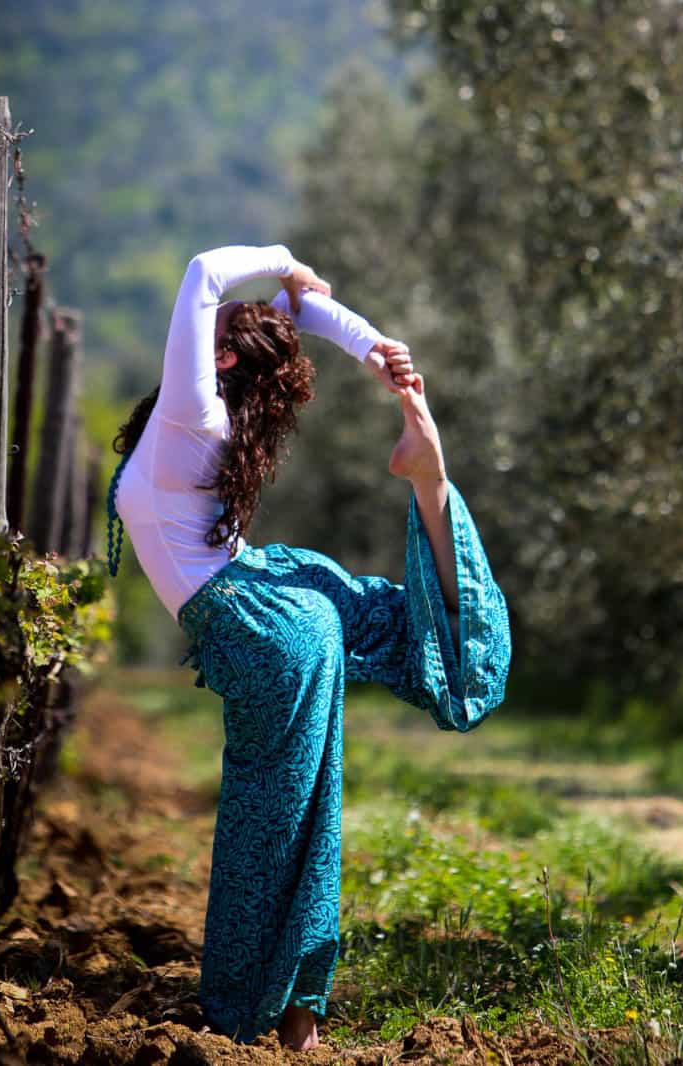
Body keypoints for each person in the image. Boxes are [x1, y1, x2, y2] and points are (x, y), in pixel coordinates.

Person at [105, 245, 511, 1051]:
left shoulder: (194, 411)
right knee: (309, 805)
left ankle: (257, 1014)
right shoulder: (215, 407)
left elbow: (202, 272)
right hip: (275, 595)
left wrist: (284, 262)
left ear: (219, 357)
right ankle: (429, 481)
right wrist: (372, 348)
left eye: (211, 334)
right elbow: (282, 316)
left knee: (274, 820)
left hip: (258, 620)